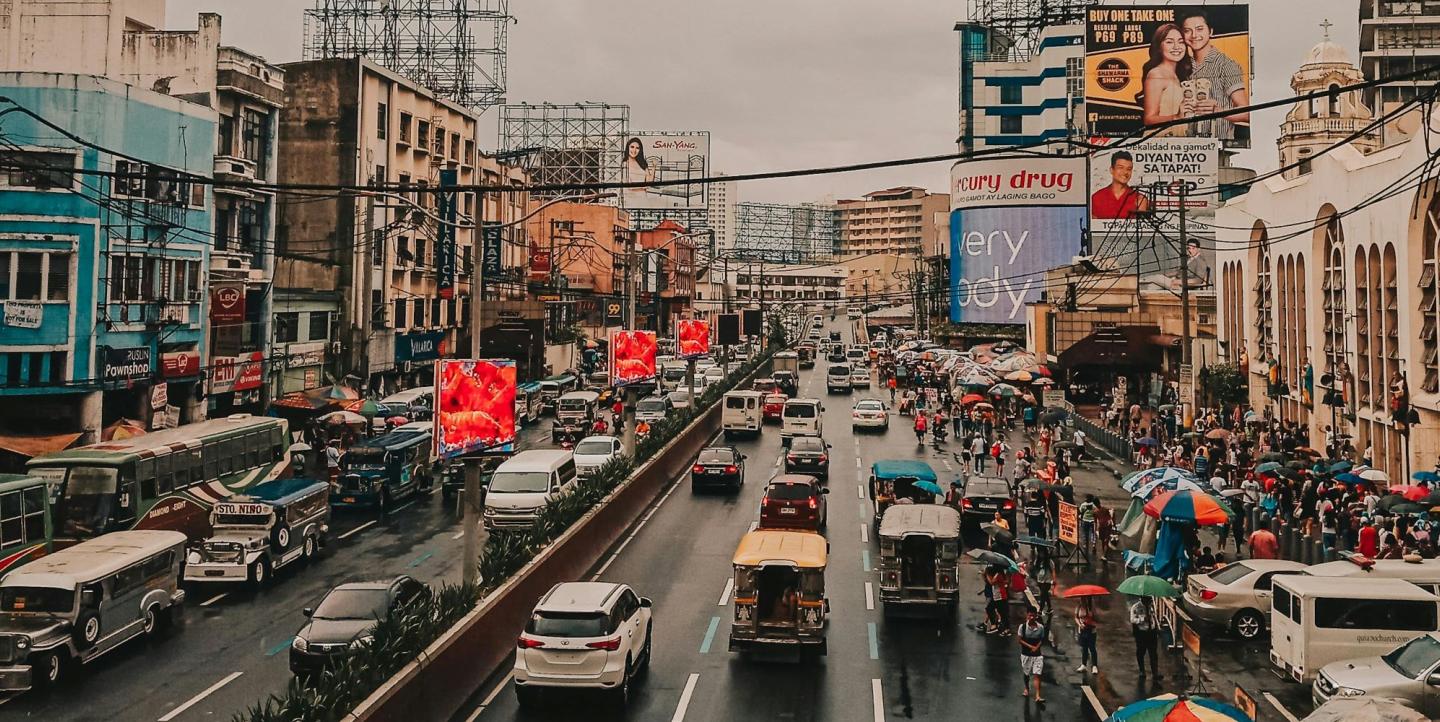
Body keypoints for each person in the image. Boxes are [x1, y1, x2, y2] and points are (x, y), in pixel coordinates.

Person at [1180, 9, 1250, 140]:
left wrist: (1218, 111)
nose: (1194, 35)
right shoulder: (1182, 66)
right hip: (1186, 148)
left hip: (1217, 146)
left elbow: (1246, 113)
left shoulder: (1226, 64)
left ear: (1210, 31)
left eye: (1199, 29)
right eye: (1187, 30)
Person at [1138, 23, 1193, 131]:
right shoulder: (1156, 74)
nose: (1176, 47)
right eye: (1169, 42)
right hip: (1161, 141)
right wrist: (1176, 117)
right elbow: (1149, 120)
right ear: (1159, 47)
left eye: (1181, 42)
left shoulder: (1180, 75)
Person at [1090, 150, 1153, 220]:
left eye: (1129, 169)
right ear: (1111, 170)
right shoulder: (1096, 198)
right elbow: (1093, 226)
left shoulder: (1140, 199)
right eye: (1120, 167)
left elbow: (1143, 228)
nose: (1125, 172)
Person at [1017, 607, 1047, 703]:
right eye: (1030, 615)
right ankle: (1027, 688)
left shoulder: (1040, 628)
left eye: (1033, 615)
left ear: (1036, 616)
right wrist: (1030, 647)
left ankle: (1038, 695)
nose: (1031, 617)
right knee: (1026, 673)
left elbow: (1042, 639)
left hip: (1037, 655)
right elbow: (1019, 640)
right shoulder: (1023, 627)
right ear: (1027, 615)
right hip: (1026, 654)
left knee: (1037, 674)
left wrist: (1037, 647)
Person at [1129, 596, 1162, 679]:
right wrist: (1142, 619)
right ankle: (1142, 671)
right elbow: (1132, 620)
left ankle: (1155, 673)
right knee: (1141, 652)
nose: (1150, 601)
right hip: (1141, 633)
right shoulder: (1135, 607)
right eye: (1148, 600)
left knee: (1153, 654)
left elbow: (1154, 617)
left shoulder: (1151, 606)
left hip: (1152, 632)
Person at [620, 137, 656, 207]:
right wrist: (644, 187)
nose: (634, 150)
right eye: (632, 147)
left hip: (643, 199)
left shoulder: (642, 163)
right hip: (630, 200)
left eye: (637, 148)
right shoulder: (624, 163)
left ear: (640, 150)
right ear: (628, 148)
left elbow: (650, 182)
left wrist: (654, 167)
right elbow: (628, 186)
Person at [1075, 597, 1099, 675]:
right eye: (1082, 599)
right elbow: (1076, 617)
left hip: (1091, 630)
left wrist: (1090, 619)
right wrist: (1080, 624)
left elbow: (1096, 618)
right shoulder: (1079, 606)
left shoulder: (1092, 607)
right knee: (1084, 647)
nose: (1082, 600)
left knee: (1092, 648)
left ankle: (1094, 666)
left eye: (1084, 599)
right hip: (1082, 630)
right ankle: (1083, 665)